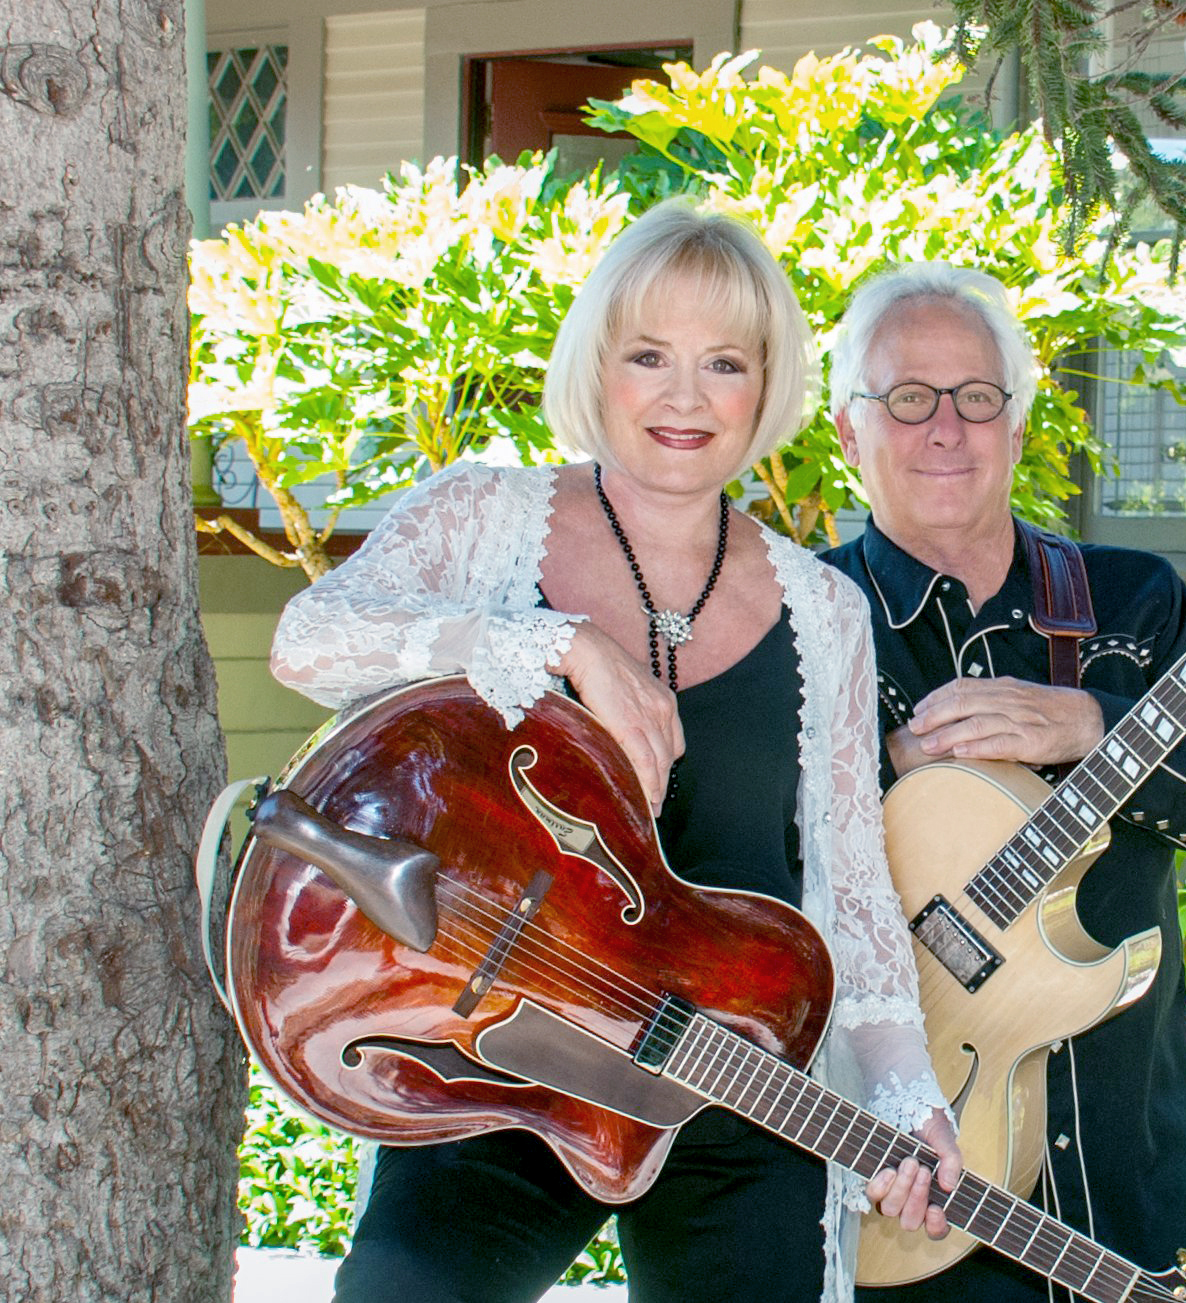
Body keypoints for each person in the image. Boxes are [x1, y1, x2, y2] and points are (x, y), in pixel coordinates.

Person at [268, 202, 961, 1303]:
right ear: (599, 364)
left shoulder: (824, 609)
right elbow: (307, 642)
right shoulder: (486, 517)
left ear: (767, 384)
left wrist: (901, 1091)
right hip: (498, 1061)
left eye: (724, 363)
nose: (685, 398)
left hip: (737, 1077)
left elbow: (848, 875)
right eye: (649, 355)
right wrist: (551, 641)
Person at [820, 262, 1186, 1300]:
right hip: (919, 1187)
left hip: (1140, 1177)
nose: (947, 427)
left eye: (977, 397)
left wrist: (1098, 726)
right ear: (850, 434)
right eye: (907, 398)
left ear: (1019, 427)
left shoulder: (1135, 600)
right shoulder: (800, 629)